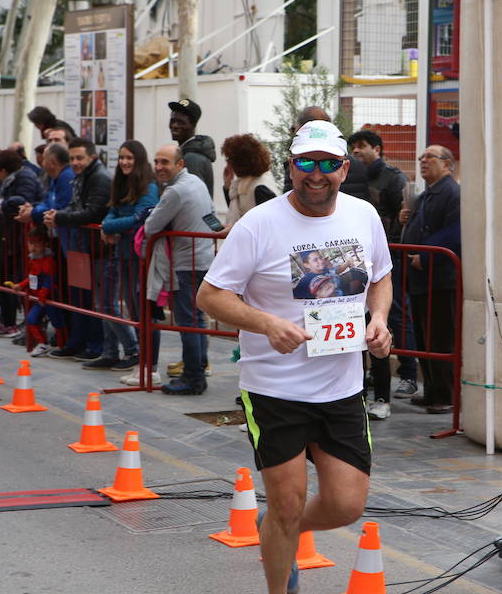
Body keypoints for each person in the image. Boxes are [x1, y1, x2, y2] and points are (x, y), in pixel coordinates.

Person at [197, 120, 392, 594]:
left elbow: (381, 276)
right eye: (306, 163)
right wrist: (266, 324)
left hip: (341, 388)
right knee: (286, 503)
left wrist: (379, 319)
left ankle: (281, 528)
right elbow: (209, 296)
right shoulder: (259, 224)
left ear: (345, 168)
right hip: (274, 390)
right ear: (291, 166)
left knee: (347, 505)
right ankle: (280, 570)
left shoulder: (363, 215)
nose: (317, 174)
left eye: (328, 164)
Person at [348, 129, 418, 418]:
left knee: (393, 316)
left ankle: (407, 374)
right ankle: (362, 390)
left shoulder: (392, 177)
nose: (357, 152)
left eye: (362, 146)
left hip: (388, 257)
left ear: (377, 148)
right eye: (353, 147)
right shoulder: (354, 177)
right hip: (358, 262)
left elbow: (403, 211)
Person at [145, 144, 215, 395]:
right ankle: (197, 371)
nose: (159, 167)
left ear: (180, 164)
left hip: (187, 263)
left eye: (165, 162)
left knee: (188, 321)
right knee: (197, 319)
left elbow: (151, 226)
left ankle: (193, 377)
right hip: (203, 257)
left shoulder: (175, 191)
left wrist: (153, 215)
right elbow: (211, 217)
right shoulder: (195, 182)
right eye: (157, 161)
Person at [85, 140, 158, 371]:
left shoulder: (149, 187)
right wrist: (109, 225)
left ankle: (145, 361)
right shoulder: (122, 183)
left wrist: (110, 227)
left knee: (140, 309)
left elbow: (140, 219)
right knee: (125, 306)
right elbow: (112, 212)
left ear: (139, 160)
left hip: (140, 256)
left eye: (130, 158)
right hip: (122, 253)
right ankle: (136, 358)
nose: (125, 162)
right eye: (122, 158)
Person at [399, 145, 461, 414]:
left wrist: (423, 257)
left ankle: (445, 394)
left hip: (440, 279)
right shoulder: (428, 194)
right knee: (425, 339)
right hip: (422, 281)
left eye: (430, 157)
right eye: (421, 158)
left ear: (447, 164)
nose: (423, 161)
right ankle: (432, 390)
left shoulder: (452, 192)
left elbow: (454, 233)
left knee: (440, 339)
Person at [44, 138, 109, 362]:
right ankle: (77, 342)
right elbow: (76, 206)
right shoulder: (81, 177)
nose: (75, 162)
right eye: (72, 158)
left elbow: (92, 213)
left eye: (79, 158)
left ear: (92, 156)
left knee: (91, 300)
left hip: (93, 248)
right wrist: (57, 214)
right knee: (79, 297)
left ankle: (95, 345)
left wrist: (59, 217)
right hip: (80, 245)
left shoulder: (99, 178)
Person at [0, 149, 44, 338]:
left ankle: (23, 326)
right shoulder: (12, 179)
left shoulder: (24, 177)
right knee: (6, 278)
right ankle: (9, 321)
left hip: (17, 237)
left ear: (2, 169)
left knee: (19, 280)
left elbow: (22, 201)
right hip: (6, 236)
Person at [282, 106, 369, 202]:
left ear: (345, 169)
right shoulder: (358, 165)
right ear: (292, 168)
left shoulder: (365, 213)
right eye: (305, 163)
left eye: (330, 164)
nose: (316, 177)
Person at [8, 227, 67, 356]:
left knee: (57, 322)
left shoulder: (48, 260)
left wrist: (42, 295)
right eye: (30, 243)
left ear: (44, 244)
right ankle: (42, 343)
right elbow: (32, 278)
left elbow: (49, 280)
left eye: (36, 243)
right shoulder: (33, 259)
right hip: (39, 298)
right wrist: (20, 285)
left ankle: (63, 346)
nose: (33, 246)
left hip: (49, 298)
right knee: (31, 319)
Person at [220, 133, 277, 228]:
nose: (227, 162)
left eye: (230, 159)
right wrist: (227, 185)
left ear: (240, 162)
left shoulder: (260, 188)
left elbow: (267, 226)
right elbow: (237, 208)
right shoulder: (244, 181)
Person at [168, 98, 216, 198]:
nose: (175, 126)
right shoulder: (187, 152)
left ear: (193, 125)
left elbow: (192, 198)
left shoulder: (192, 158)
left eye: (181, 122)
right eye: (173, 121)